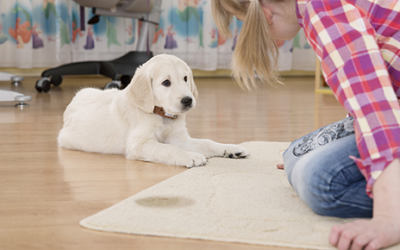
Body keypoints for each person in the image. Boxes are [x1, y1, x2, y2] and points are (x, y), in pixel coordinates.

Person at [211, 0, 400, 249]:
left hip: (389, 111)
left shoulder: (324, 11)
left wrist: (389, 219)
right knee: (295, 153)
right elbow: (363, 93)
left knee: (320, 180)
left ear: (265, 15)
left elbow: (375, 108)